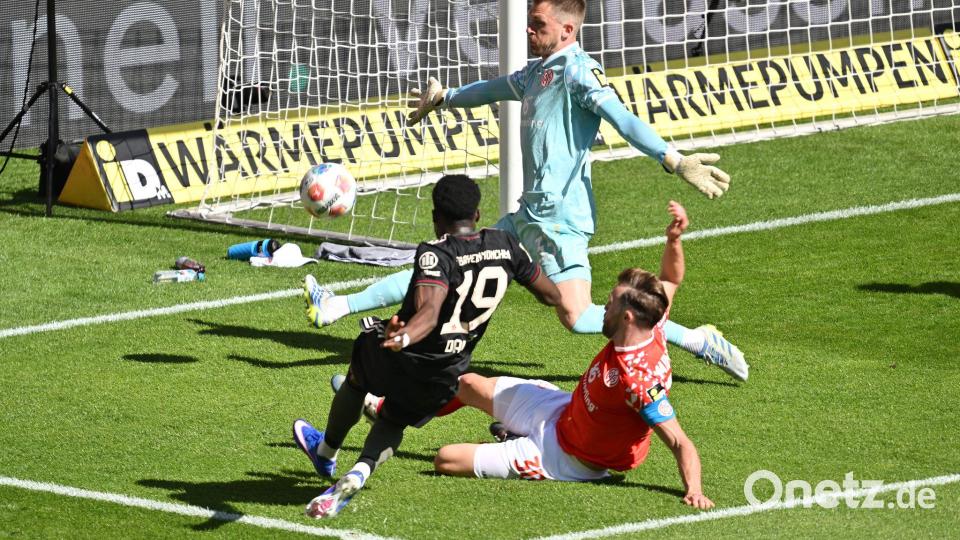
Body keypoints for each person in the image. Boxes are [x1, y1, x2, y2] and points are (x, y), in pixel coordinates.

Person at [302, 0, 747, 382]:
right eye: (530, 23)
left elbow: (623, 119)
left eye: (539, 24)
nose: (529, 30)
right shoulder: (537, 72)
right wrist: (447, 97)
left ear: (567, 30)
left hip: (560, 220)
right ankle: (337, 304)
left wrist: (673, 159)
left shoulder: (579, 73)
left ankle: (695, 338)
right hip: (527, 214)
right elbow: (492, 89)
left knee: (575, 317)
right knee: (444, 262)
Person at [292, 174, 562, 519]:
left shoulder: (436, 254)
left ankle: (326, 452)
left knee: (357, 379)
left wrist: (402, 337)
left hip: (404, 354)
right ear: (477, 214)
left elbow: (429, 313)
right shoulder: (507, 244)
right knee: (393, 421)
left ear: (436, 217)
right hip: (448, 370)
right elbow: (550, 295)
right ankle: (359, 473)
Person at [432, 201, 715, 510]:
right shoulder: (653, 322)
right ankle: (391, 409)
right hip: (564, 410)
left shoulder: (638, 382)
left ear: (628, 318)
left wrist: (695, 490)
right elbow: (671, 280)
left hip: (566, 457)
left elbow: (678, 441)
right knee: (468, 383)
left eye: (611, 303)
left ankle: (517, 442)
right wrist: (674, 240)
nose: (604, 306)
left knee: (446, 459)